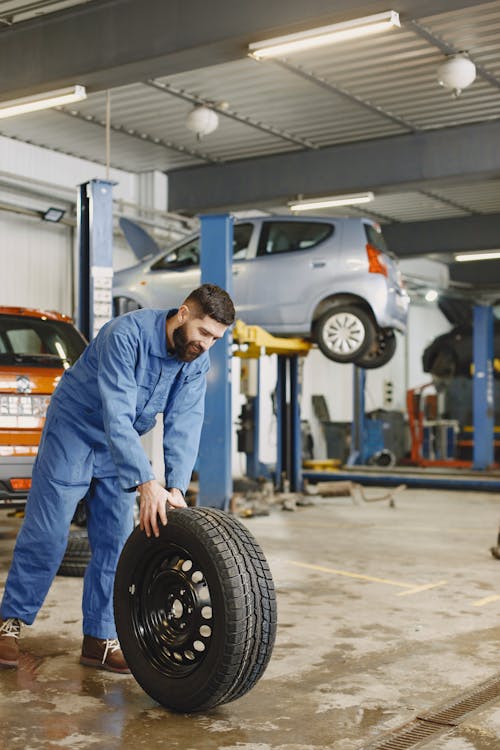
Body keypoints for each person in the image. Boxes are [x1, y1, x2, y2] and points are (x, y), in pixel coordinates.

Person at [0, 283, 235, 672]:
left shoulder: (195, 360)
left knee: (115, 539)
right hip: (74, 432)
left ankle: (99, 638)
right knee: (49, 534)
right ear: (183, 313)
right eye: (204, 333)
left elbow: (185, 423)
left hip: (118, 447)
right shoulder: (125, 336)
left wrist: (174, 486)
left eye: (216, 338)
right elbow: (117, 413)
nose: (207, 344)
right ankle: (10, 623)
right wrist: (146, 483)